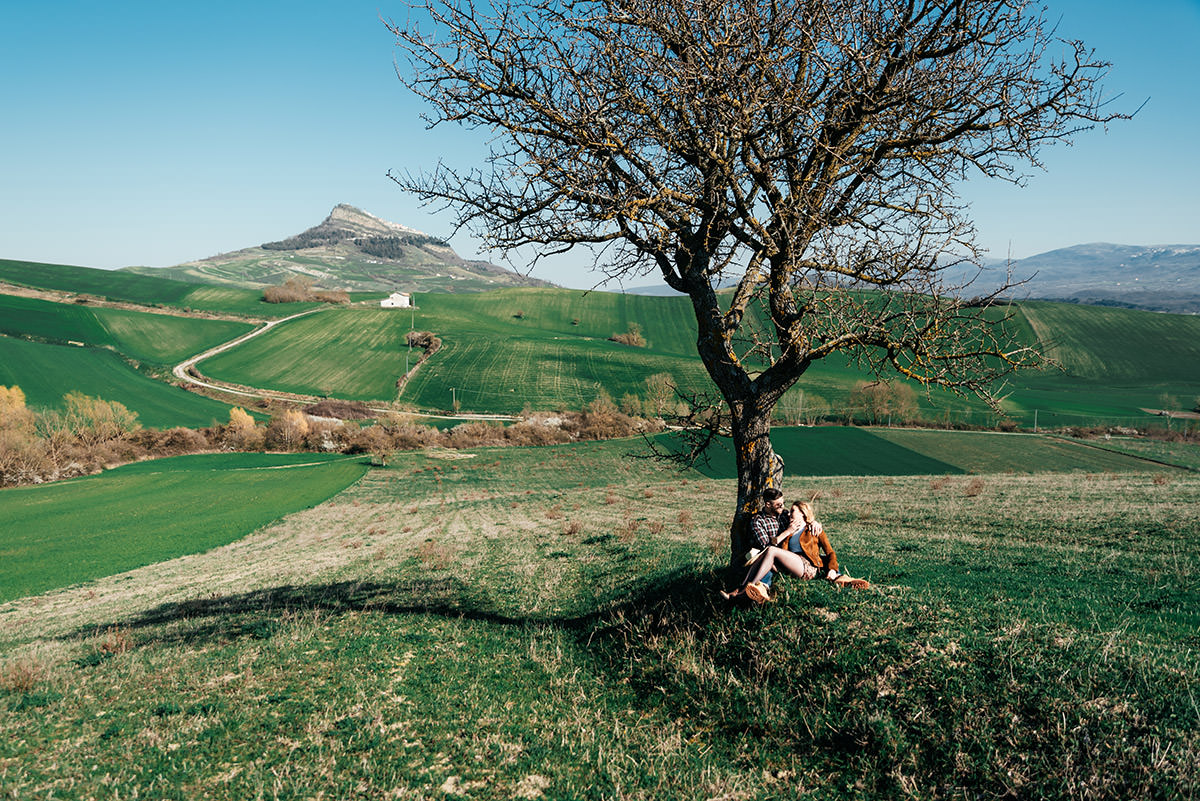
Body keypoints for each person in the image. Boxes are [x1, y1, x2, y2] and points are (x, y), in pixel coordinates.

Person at [725, 495, 870, 603]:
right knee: (763, 556)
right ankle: (744, 589)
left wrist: (832, 569)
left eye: (793, 511)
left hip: (808, 567)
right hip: (793, 566)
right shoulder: (788, 529)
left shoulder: (813, 529)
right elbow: (778, 547)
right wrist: (788, 531)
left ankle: (743, 591)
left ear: (802, 513)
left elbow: (830, 552)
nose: (788, 513)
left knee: (771, 551)